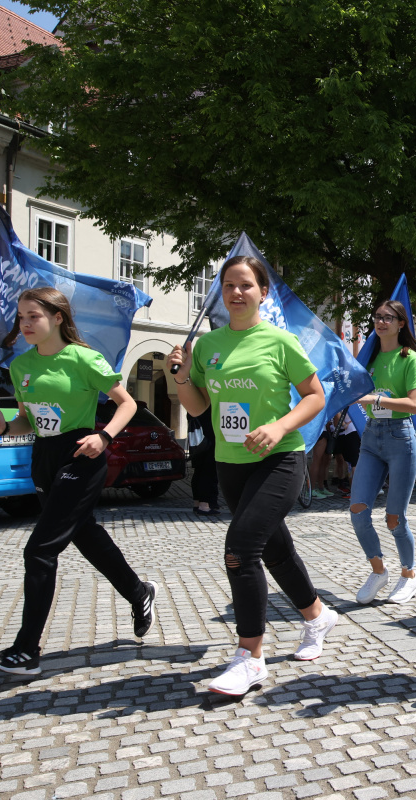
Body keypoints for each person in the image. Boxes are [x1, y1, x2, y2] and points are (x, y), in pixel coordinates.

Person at [167, 255, 339, 696]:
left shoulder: (280, 341)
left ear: (263, 293)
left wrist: (279, 426)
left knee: (241, 550)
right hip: (230, 463)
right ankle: (317, 616)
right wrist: (182, 378)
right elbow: (199, 406)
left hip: (280, 458)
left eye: (245, 285)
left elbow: (315, 396)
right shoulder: (208, 345)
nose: (236, 292)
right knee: (276, 550)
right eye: (228, 285)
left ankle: (250, 658)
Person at [0, 287, 157, 676]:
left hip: (82, 455)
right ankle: (139, 591)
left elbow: (128, 403)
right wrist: (5, 426)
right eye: (21, 317)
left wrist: (104, 437)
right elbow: (28, 421)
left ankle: (26, 650)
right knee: (85, 534)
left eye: (33, 316)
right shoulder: (21, 367)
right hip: (44, 457)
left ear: (57, 318)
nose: (25, 324)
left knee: (39, 550)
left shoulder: (83, 358)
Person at [349, 299, 416, 605]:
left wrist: (376, 399)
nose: (381, 322)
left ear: (401, 324)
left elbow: (414, 405)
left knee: (394, 518)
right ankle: (378, 571)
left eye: (388, 317)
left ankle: (409, 574)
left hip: (401, 438)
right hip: (371, 438)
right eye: (377, 317)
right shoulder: (367, 358)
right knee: (358, 511)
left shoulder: (409, 358)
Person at [188, 408, 220, 513]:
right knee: (208, 471)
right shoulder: (208, 405)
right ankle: (204, 505)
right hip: (208, 438)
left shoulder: (194, 406)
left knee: (199, 470)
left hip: (197, 441)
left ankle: (197, 503)